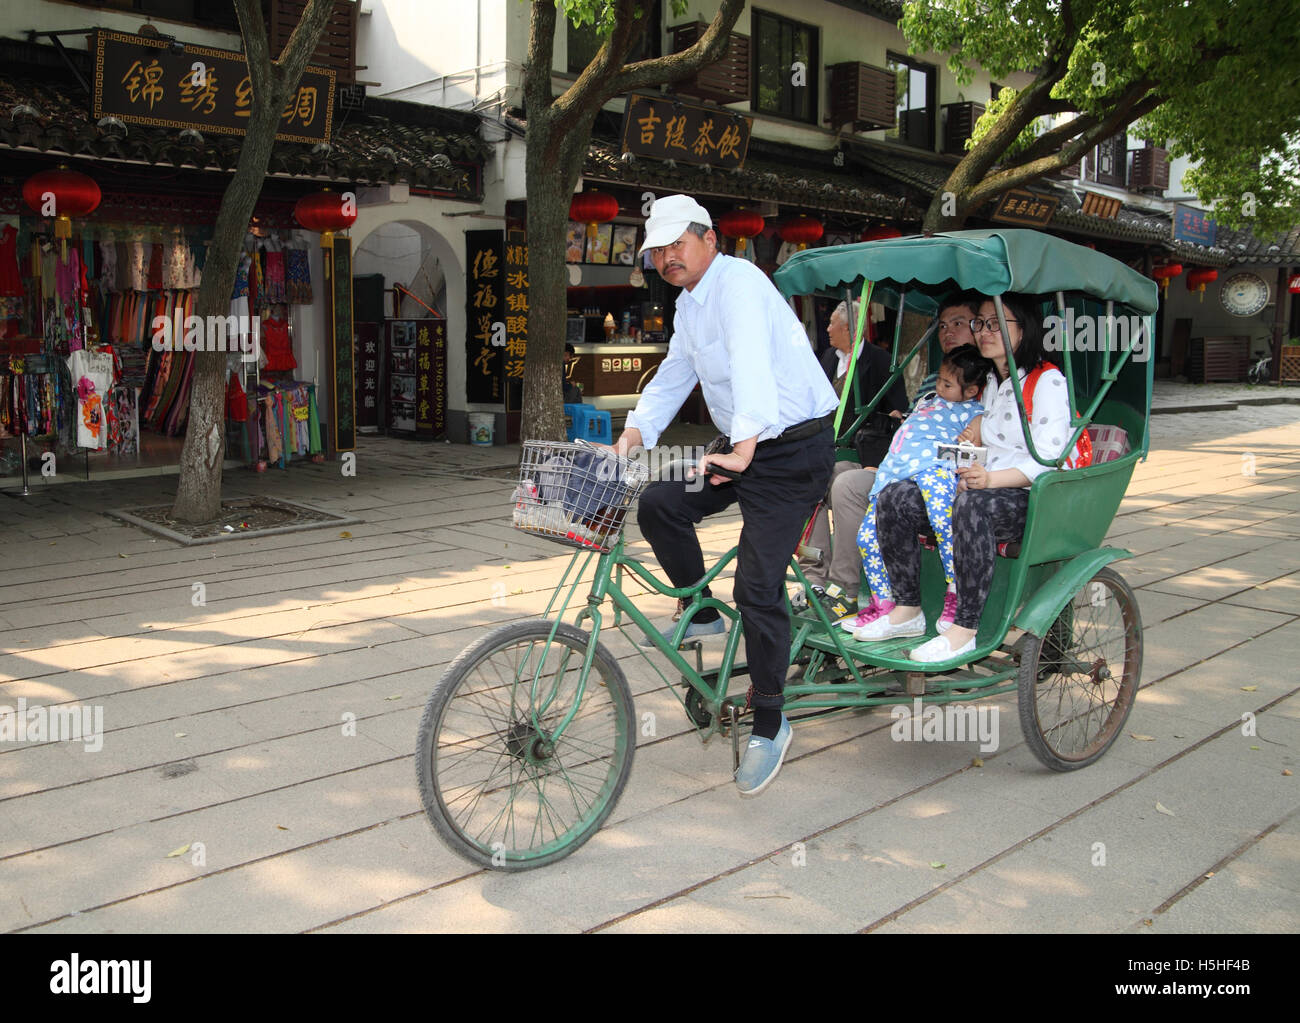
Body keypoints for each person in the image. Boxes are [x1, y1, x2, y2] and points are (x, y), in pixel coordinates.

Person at [610, 194, 837, 797]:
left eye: (676, 245)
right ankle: (704, 615)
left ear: (711, 239)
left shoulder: (740, 285)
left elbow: (752, 365)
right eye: (657, 251)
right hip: (741, 448)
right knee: (661, 502)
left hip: (791, 452)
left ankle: (770, 722)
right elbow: (674, 374)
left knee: (758, 586)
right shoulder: (689, 307)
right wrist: (633, 435)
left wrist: (742, 449)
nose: (666, 259)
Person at [856, 294, 1073, 663]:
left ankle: (965, 629)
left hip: (1030, 496)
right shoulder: (996, 383)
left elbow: (1050, 460)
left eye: (996, 323)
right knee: (897, 496)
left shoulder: (1047, 380)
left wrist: (988, 480)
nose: (984, 331)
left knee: (972, 504)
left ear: (1025, 329)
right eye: (982, 323)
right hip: (981, 483)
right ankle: (907, 609)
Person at [803, 292, 982, 625]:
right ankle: (817, 577)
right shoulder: (933, 381)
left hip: (935, 474)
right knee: (828, 471)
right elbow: (912, 422)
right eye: (942, 325)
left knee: (847, 483)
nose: (947, 332)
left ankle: (846, 588)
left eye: (958, 324)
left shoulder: (980, 384)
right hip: (896, 460)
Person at [848, 343, 991, 637]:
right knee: (866, 537)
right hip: (895, 470)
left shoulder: (974, 413)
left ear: (972, 391)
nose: (939, 387)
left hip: (934, 466)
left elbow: (973, 448)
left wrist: (968, 440)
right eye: (939, 379)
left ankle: (956, 590)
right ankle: (884, 604)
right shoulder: (928, 399)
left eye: (948, 384)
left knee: (943, 521)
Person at [799, 299, 907, 620]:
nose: (827, 329)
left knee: (840, 482)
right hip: (826, 450)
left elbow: (897, 413)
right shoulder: (830, 357)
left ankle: (843, 585)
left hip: (862, 457)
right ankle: (814, 576)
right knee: (806, 481)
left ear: (849, 328)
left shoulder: (881, 361)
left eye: (832, 324)